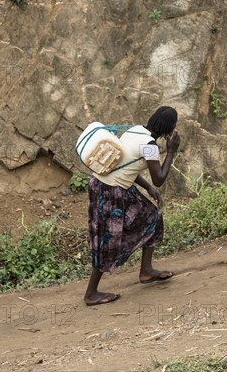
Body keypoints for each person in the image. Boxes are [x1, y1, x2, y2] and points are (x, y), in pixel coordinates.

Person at [84, 106, 181, 306]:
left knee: (151, 214)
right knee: (108, 239)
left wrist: (148, 189)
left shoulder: (136, 130)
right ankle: (91, 293)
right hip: (110, 190)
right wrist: (171, 152)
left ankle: (146, 271)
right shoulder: (150, 146)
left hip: (107, 185)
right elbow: (160, 179)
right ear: (169, 129)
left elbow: (125, 164)